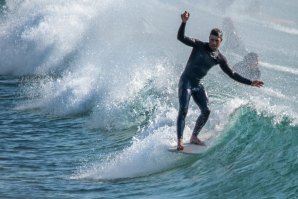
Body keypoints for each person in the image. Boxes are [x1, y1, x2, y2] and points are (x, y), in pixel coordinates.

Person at [176, 11, 264, 150]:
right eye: (211, 39)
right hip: (186, 82)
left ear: (221, 41)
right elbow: (180, 37)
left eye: (216, 40)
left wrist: (250, 82)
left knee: (206, 111)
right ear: (209, 38)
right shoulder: (199, 45)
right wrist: (184, 22)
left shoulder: (219, 58)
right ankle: (180, 141)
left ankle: (194, 137)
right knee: (183, 110)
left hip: (197, 84)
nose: (213, 42)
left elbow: (232, 74)